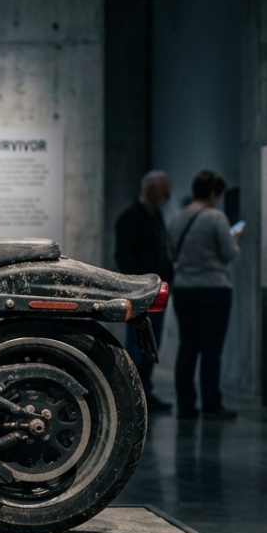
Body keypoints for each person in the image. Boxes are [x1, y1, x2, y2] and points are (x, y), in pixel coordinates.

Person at [167, 170, 242, 421]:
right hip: (213, 289)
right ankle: (211, 404)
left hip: (184, 289)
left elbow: (172, 253)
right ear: (213, 193)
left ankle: (185, 405)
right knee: (211, 350)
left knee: (187, 346)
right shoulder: (215, 217)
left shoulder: (178, 217)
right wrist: (236, 239)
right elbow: (228, 255)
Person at [114, 170, 174, 412]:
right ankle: (135, 394)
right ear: (151, 189)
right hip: (141, 293)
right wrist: (141, 284)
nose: (168, 195)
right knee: (139, 345)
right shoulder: (130, 218)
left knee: (150, 343)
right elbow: (124, 258)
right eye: (164, 189)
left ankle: (144, 392)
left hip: (156, 291)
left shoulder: (155, 216)